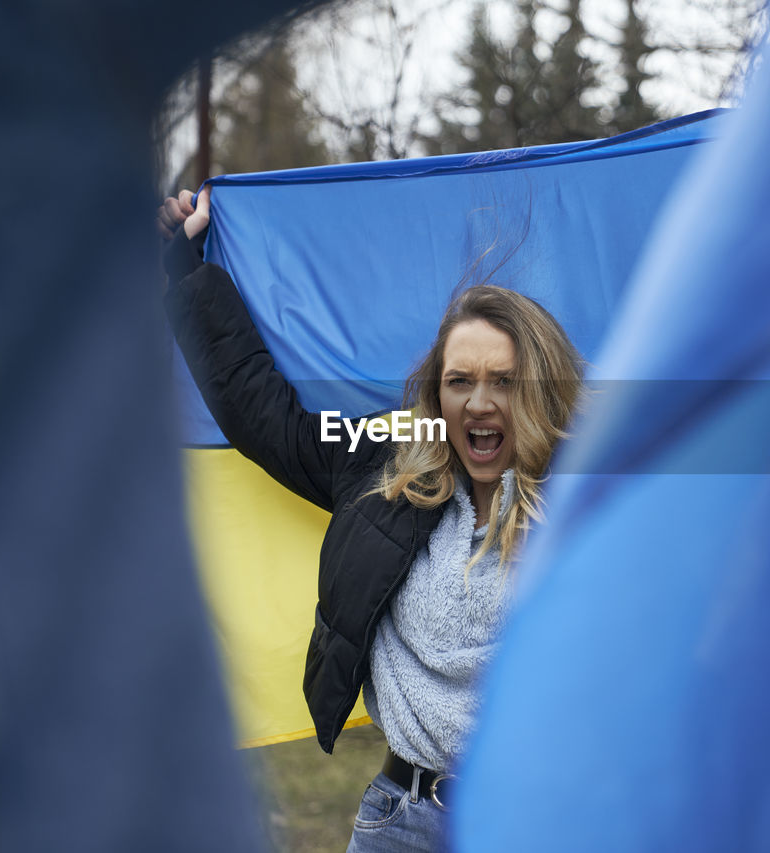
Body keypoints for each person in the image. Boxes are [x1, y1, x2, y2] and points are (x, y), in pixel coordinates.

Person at [158, 186, 585, 851]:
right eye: (459, 379)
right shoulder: (384, 472)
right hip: (401, 825)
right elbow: (260, 409)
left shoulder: (588, 500)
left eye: (502, 380)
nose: (478, 402)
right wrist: (184, 266)